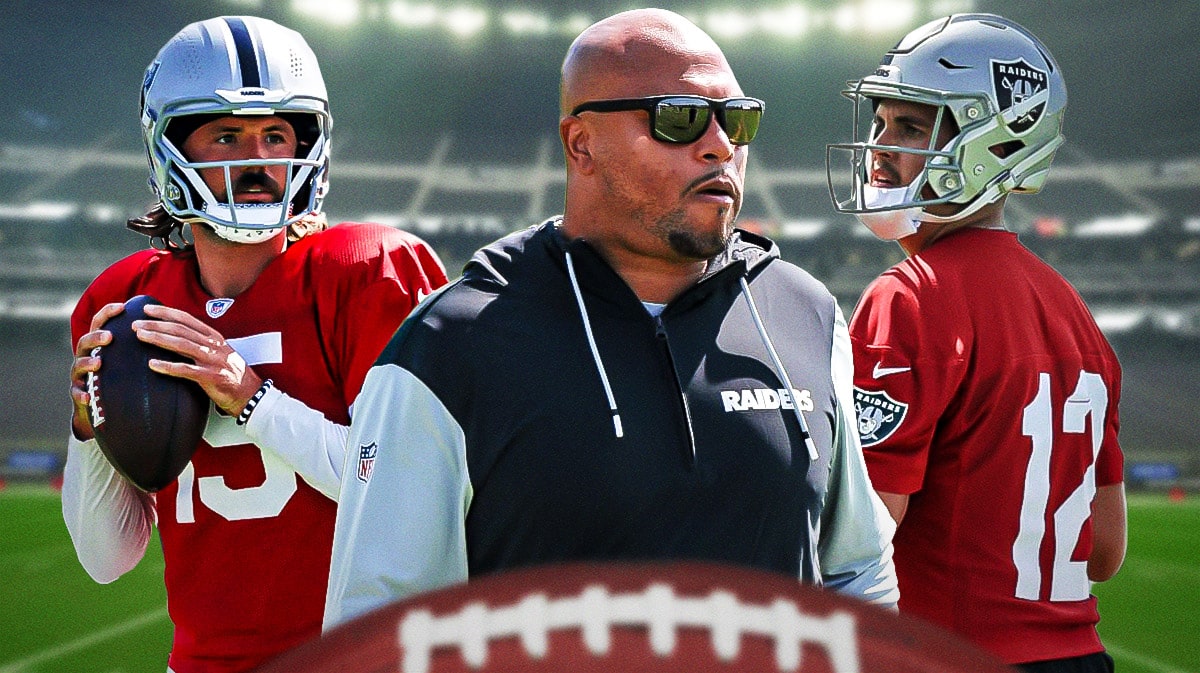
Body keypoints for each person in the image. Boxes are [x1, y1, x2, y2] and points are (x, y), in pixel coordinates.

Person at [323, 8, 898, 630]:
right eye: (678, 119)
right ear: (581, 144)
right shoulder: (448, 344)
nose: (721, 146)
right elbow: (377, 630)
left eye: (738, 120)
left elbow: (857, 568)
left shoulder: (807, 313)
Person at [63, 16, 448, 673]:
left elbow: (411, 505)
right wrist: (87, 430)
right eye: (227, 135)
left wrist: (250, 396)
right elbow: (107, 558)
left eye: (276, 133)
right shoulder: (126, 301)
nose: (259, 158)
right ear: (171, 147)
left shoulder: (364, 270)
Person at [825, 13, 1126, 672]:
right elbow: (1103, 548)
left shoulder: (910, 296)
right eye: (879, 122)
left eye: (909, 126)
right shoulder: (1080, 318)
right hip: (1082, 656)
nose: (878, 144)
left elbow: (862, 535)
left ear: (992, 143)